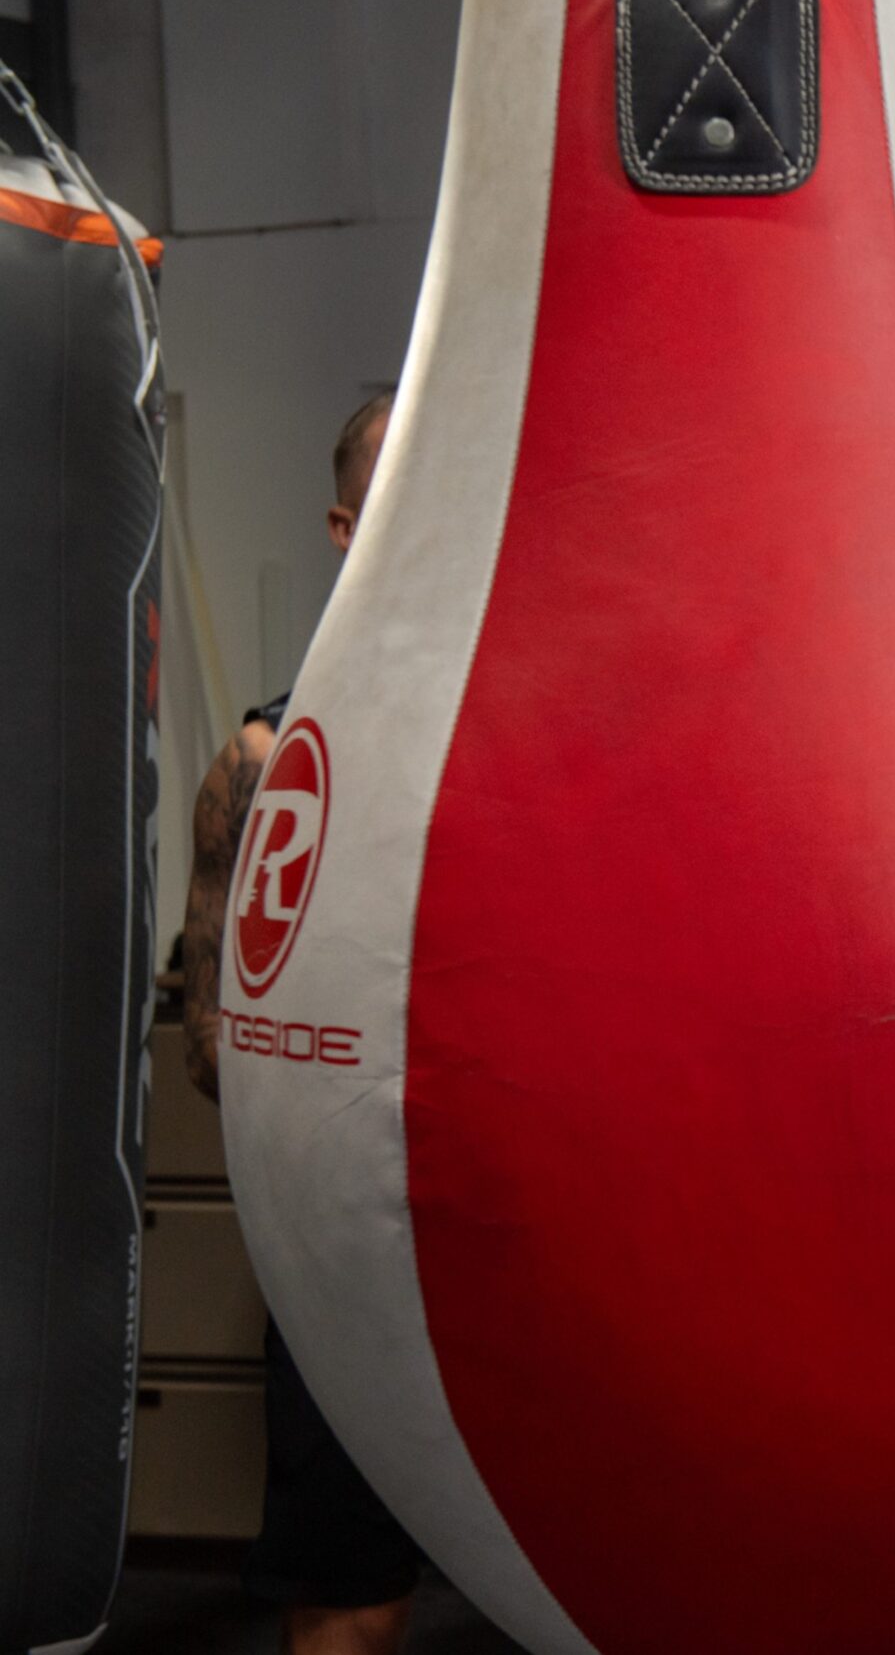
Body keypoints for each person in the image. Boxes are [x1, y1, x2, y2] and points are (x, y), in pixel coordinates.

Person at [183, 389, 420, 1655]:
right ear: (343, 525)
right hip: (352, 1261)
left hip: (535, 1234)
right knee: (352, 1592)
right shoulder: (270, 762)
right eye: (398, 488)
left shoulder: (541, 737)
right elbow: (213, 1037)